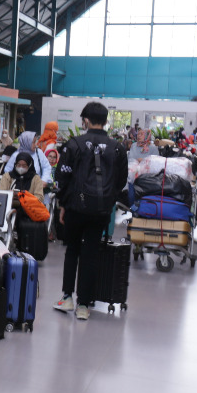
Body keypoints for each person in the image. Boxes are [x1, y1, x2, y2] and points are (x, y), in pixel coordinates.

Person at [52, 102, 128, 321]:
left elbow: (62, 178)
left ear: (85, 120)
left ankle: (67, 297)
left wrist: (63, 204)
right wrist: (108, 200)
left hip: (76, 207)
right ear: (105, 121)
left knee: (72, 250)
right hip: (101, 210)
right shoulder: (117, 148)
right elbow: (121, 181)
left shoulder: (73, 144)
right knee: (91, 254)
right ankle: (84, 305)